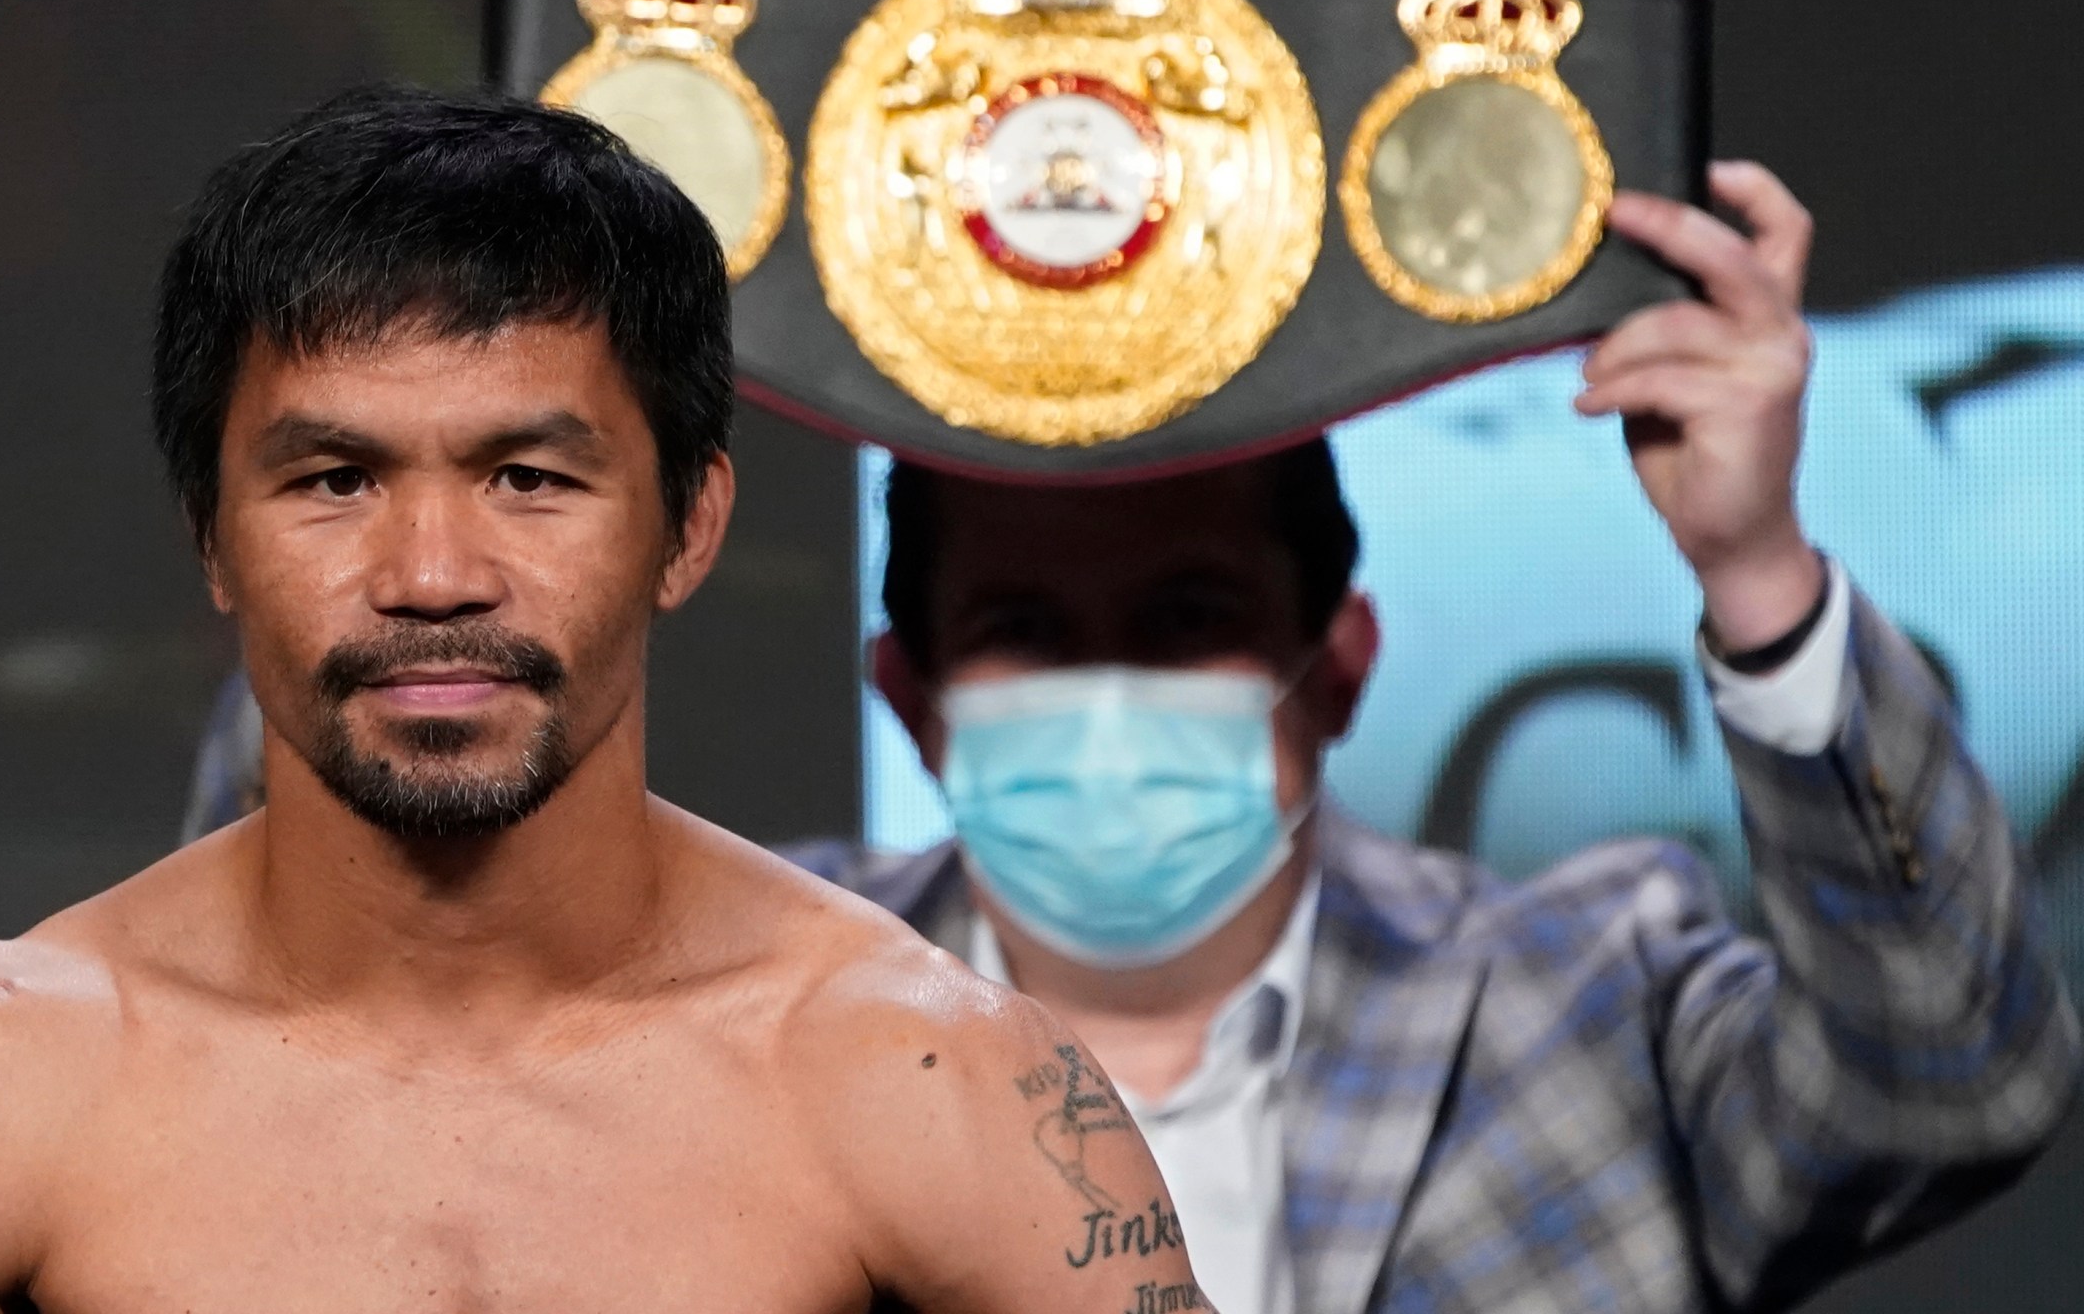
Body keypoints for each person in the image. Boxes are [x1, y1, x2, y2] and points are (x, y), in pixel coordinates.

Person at [0, 88, 1207, 1312]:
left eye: (530, 479)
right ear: (210, 539)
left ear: (688, 527)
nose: (433, 574)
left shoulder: (931, 1082)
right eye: (334, 479)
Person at [807, 164, 2079, 1312]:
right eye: (1023, 630)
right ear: (910, 698)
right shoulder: (762, 1008)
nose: (1107, 688)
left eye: (1188, 617)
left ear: (1339, 669)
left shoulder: (1588, 1003)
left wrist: (1754, 568)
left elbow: (1954, 1085)